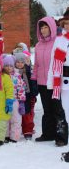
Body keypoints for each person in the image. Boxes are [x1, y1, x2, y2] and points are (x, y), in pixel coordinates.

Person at [32, 16, 68, 147]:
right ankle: (48, 134)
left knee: (58, 110)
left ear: (52, 27)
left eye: (45, 27)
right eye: (41, 27)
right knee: (46, 110)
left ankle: (61, 137)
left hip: (55, 82)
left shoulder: (58, 42)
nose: (43, 30)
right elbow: (36, 65)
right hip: (42, 82)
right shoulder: (37, 45)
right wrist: (33, 80)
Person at [46, 12, 69, 147]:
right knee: (64, 110)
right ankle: (63, 137)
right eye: (66, 24)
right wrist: (51, 83)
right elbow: (53, 63)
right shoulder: (59, 40)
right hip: (63, 82)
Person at [14, 52, 38, 140]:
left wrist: (34, 94)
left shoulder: (28, 72)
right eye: (18, 62)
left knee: (27, 114)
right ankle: (17, 129)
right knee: (17, 114)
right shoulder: (12, 73)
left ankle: (27, 130)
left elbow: (33, 83)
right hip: (16, 97)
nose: (20, 64)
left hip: (27, 96)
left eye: (22, 62)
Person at [2, 54, 26, 143]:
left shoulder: (17, 76)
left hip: (15, 101)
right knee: (5, 119)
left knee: (16, 119)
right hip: (4, 101)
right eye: (6, 66)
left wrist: (21, 102)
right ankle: (5, 136)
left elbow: (21, 88)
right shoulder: (1, 76)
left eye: (10, 66)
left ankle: (14, 137)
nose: (8, 68)